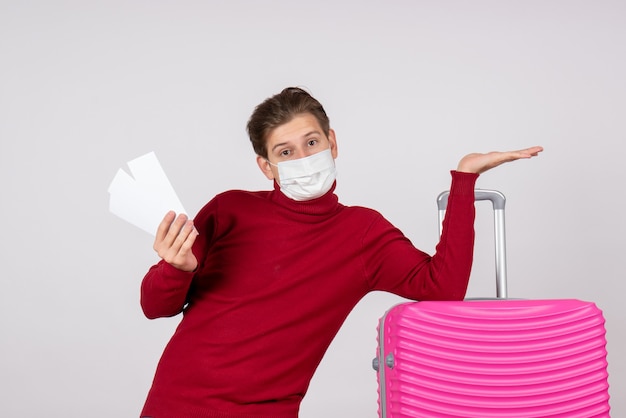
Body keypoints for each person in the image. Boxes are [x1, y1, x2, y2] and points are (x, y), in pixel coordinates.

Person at [139, 87, 542, 418]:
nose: (303, 159)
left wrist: (464, 178)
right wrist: (176, 269)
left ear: (332, 143)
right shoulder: (230, 210)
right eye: (285, 152)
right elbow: (155, 306)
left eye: (311, 142)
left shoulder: (362, 234)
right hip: (175, 402)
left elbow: (443, 287)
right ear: (266, 167)